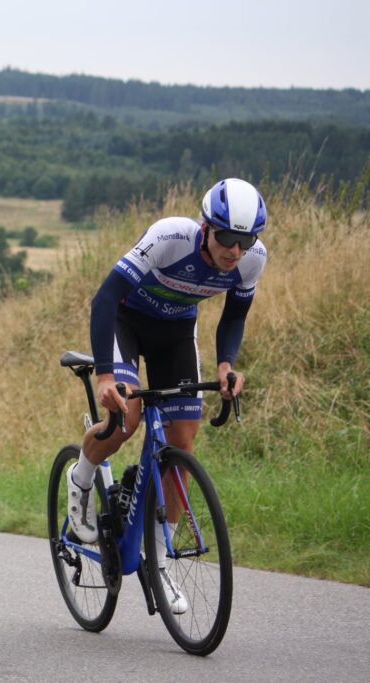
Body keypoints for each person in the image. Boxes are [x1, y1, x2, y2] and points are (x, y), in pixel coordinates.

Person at [68, 178, 267, 613]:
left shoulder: (252, 260)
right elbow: (105, 299)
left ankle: (159, 563)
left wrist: (226, 366)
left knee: (182, 443)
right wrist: (105, 376)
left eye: (246, 239)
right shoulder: (169, 237)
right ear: (205, 227)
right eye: (226, 238)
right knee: (126, 419)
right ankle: (80, 478)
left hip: (176, 334)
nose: (235, 250)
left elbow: (234, 317)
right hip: (126, 323)